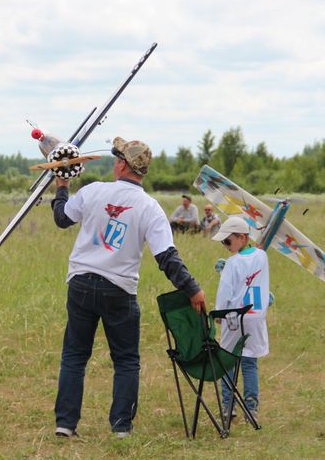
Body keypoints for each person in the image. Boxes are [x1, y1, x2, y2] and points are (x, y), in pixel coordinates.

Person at [51, 136, 206, 438]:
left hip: (81, 283)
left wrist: (61, 186)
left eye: (115, 159)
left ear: (122, 164)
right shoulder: (150, 208)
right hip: (119, 289)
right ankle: (121, 426)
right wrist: (193, 289)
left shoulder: (92, 191)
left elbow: (61, 218)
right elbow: (167, 257)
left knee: (74, 356)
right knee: (125, 360)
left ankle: (65, 424)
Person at [211, 215, 269, 423]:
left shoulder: (232, 263)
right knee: (250, 362)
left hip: (234, 318)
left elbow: (225, 292)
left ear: (242, 237)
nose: (226, 245)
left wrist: (219, 313)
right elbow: (259, 251)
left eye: (228, 240)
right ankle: (251, 407)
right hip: (255, 317)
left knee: (228, 361)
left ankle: (228, 406)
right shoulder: (262, 257)